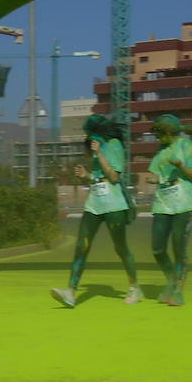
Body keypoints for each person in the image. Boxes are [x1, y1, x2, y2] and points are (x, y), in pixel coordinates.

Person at [51, 114, 142, 308]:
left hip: (114, 204)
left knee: (120, 248)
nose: (88, 138)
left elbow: (114, 177)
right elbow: (99, 177)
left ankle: (134, 287)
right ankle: (71, 292)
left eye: (90, 134)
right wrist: (87, 175)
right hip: (94, 204)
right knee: (81, 246)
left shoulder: (115, 144)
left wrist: (100, 154)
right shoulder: (94, 148)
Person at [147, 114, 192, 307]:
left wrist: (180, 165)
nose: (157, 139)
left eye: (160, 135)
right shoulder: (161, 150)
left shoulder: (187, 146)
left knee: (179, 248)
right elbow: (155, 174)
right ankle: (170, 280)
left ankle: (178, 290)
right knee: (157, 248)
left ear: (168, 133)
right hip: (162, 205)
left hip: (183, 204)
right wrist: (154, 179)